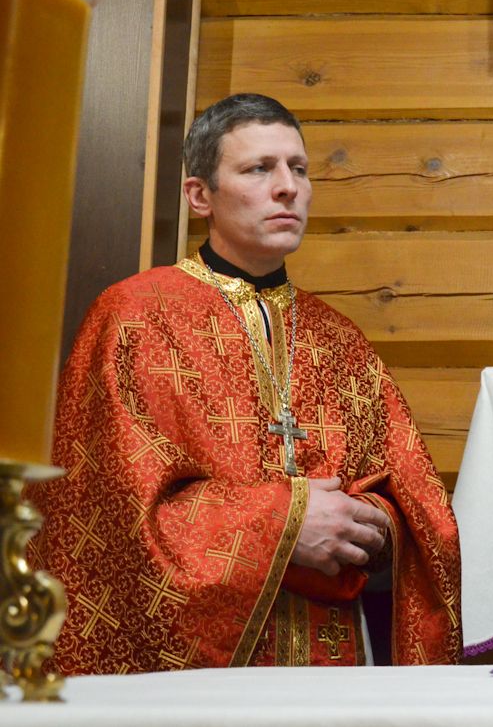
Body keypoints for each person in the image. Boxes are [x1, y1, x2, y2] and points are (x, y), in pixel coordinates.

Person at [29, 93, 461, 673]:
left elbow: (413, 503)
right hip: (191, 676)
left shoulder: (339, 339)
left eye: (298, 169)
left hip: (331, 657)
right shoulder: (135, 317)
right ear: (199, 195)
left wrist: (375, 524)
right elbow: (101, 514)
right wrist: (282, 526)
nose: (287, 187)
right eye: (259, 168)